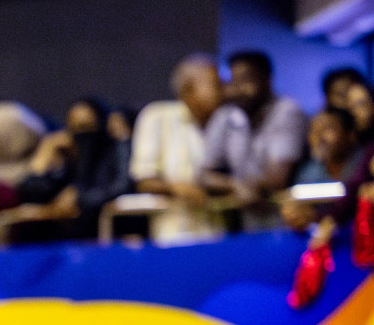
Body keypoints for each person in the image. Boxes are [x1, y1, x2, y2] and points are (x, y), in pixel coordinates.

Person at [130, 53, 226, 243]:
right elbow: (143, 179)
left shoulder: (227, 122)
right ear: (188, 89)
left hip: (220, 236)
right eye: (216, 85)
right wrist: (178, 188)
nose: (224, 91)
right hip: (174, 236)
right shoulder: (158, 115)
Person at [202, 50, 306, 212]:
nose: (237, 89)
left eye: (245, 80)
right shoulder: (227, 114)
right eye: (232, 82)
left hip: (284, 215)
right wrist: (235, 186)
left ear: (267, 80)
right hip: (244, 217)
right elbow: (204, 176)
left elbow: (276, 179)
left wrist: (230, 185)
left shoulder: (287, 111)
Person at [16, 97, 131, 237]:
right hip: (61, 243)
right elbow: (30, 191)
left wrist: (80, 198)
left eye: (86, 127)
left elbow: (121, 186)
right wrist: (43, 157)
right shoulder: (63, 159)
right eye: (74, 128)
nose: (81, 137)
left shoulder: (112, 154)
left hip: (106, 237)